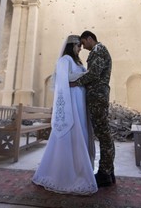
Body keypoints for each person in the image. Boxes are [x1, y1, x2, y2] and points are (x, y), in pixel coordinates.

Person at [31, 35, 98, 195]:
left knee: (81, 132)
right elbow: (64, 79)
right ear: (71, 46)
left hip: (80, 102)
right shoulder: (65, 60)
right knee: (72, 133)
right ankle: (64, 174)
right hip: (71, 103)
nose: (80, 49)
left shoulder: (76, 62)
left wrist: (84, 77)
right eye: (78, 46)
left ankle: (80, 170)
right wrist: (85, 76)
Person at [70, 30, 115, 187]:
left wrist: (76, 82)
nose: (83, 46)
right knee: (104, 133)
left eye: (83, 42)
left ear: (89, 39)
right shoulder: (99, 50)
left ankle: (105, 173)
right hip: (98, 95)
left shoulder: (98, 50)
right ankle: (108, 170)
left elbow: (94, 73)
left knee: (103, 134)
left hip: (98, 96)